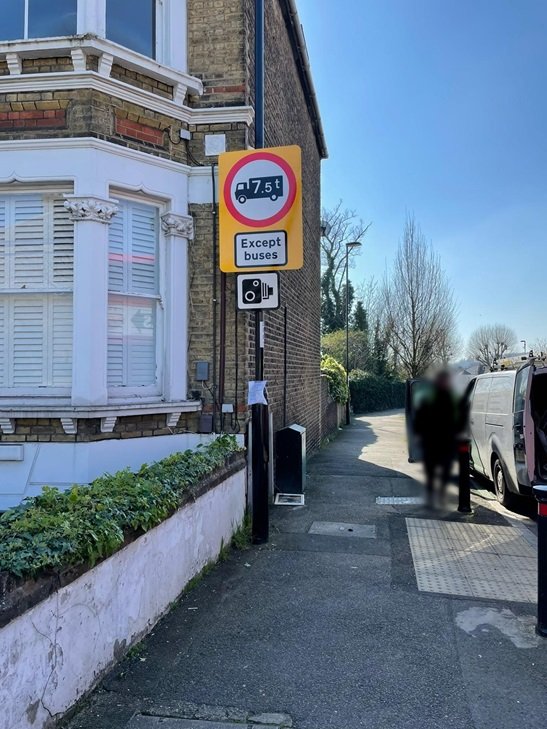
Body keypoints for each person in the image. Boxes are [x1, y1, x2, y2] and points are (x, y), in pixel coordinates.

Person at [414, 371, 459, 507]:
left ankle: (439, 495)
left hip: (445, 440)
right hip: (432, 439)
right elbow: (420, 417)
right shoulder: (430, 398)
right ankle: (432, 496)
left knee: (444, 468)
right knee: (431, 470)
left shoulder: (451, 398)